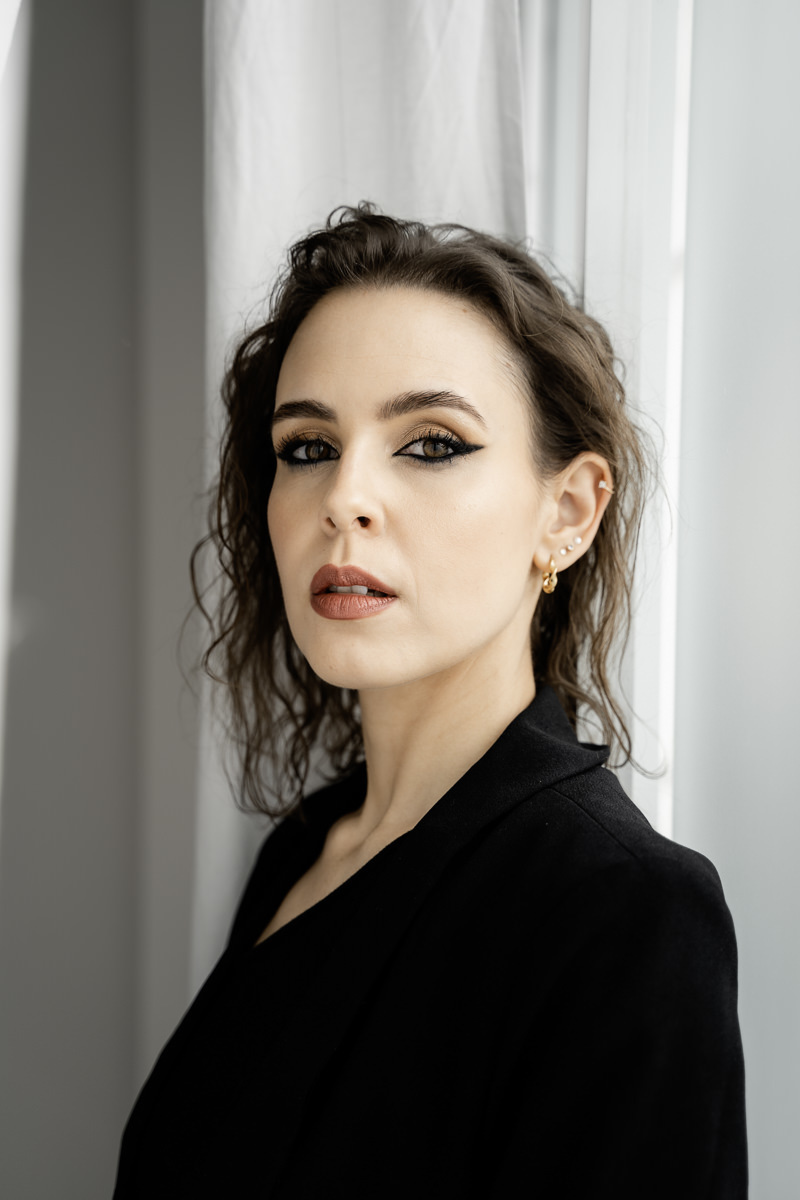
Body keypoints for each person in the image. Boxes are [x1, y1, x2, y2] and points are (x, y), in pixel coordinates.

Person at [113, 204, 747, 1197]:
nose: (343, 498)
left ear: (567, 511)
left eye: (432, 444)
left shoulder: (622, 911)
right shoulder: (306, 848)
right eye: (307, 447)